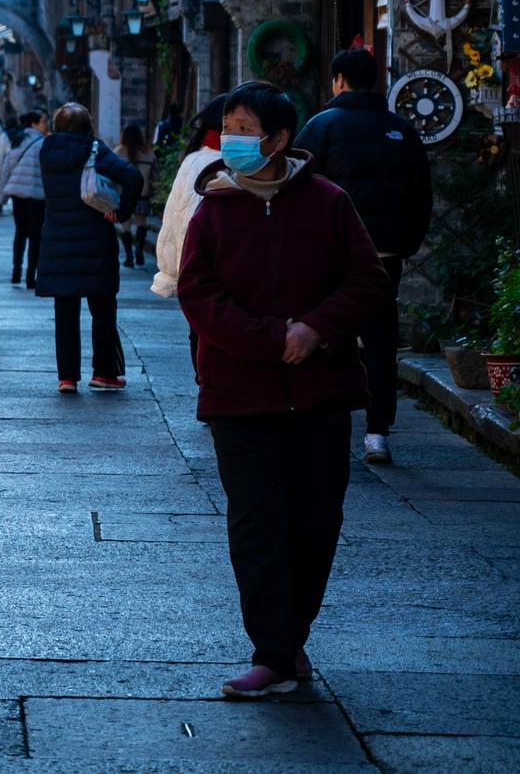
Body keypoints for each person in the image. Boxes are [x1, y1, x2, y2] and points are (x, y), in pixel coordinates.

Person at [178, 81, 387, 699]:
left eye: (246, 128)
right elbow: (199, 297)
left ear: (278, 138)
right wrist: (274, 339)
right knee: (256, 526)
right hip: (239, 394)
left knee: (315, 524)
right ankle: (272, 652)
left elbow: (368, 280)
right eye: (228, 127)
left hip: (320, 393)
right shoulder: (213, 209)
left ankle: (291, 641)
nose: (233, 139)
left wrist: (316, 328)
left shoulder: (328, 203)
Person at [293, 48, 434, 466]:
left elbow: (297, 186)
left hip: (330, 251)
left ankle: (320, 417)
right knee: (380, 341)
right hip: (384, 252)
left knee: (323, 329)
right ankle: (377, 432)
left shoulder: (322, 126)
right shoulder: (402, 130)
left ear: (338, 79)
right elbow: (421, 195)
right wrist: (404, 241)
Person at [36, 103, 143, 393]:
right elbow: (133, 177)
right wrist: (120, 212)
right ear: (88, 126)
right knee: (103, 309)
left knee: (65, 312)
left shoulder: (46, 150)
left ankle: (67, 377)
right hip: (95, 240)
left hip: (58, 241)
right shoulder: (94, 149)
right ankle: (104, 371)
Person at [153, 95, 228, 301]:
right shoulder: (214, 161)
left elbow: (174, 221)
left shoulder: (195, 158)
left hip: (194, 271)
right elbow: (184, 221)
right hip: (209, 272)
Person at [0, 110, 48, 288]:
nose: (46, 125)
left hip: (18, 195)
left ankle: (16, 272)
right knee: (35, 236)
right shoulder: (43, 143)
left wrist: (1, 197)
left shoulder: (18, 141)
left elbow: (6, 169)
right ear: (34, 124)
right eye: (43, 122)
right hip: (37, 197)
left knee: (20, 233)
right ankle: (30, 276)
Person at [118, 123, 156, 269]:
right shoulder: (148, 153)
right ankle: (139, 250)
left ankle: (129, 257)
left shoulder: (118, 152)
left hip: (124, 194)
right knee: (141, 223)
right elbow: (155, 176)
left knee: (125, 226)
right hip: (143, 193)